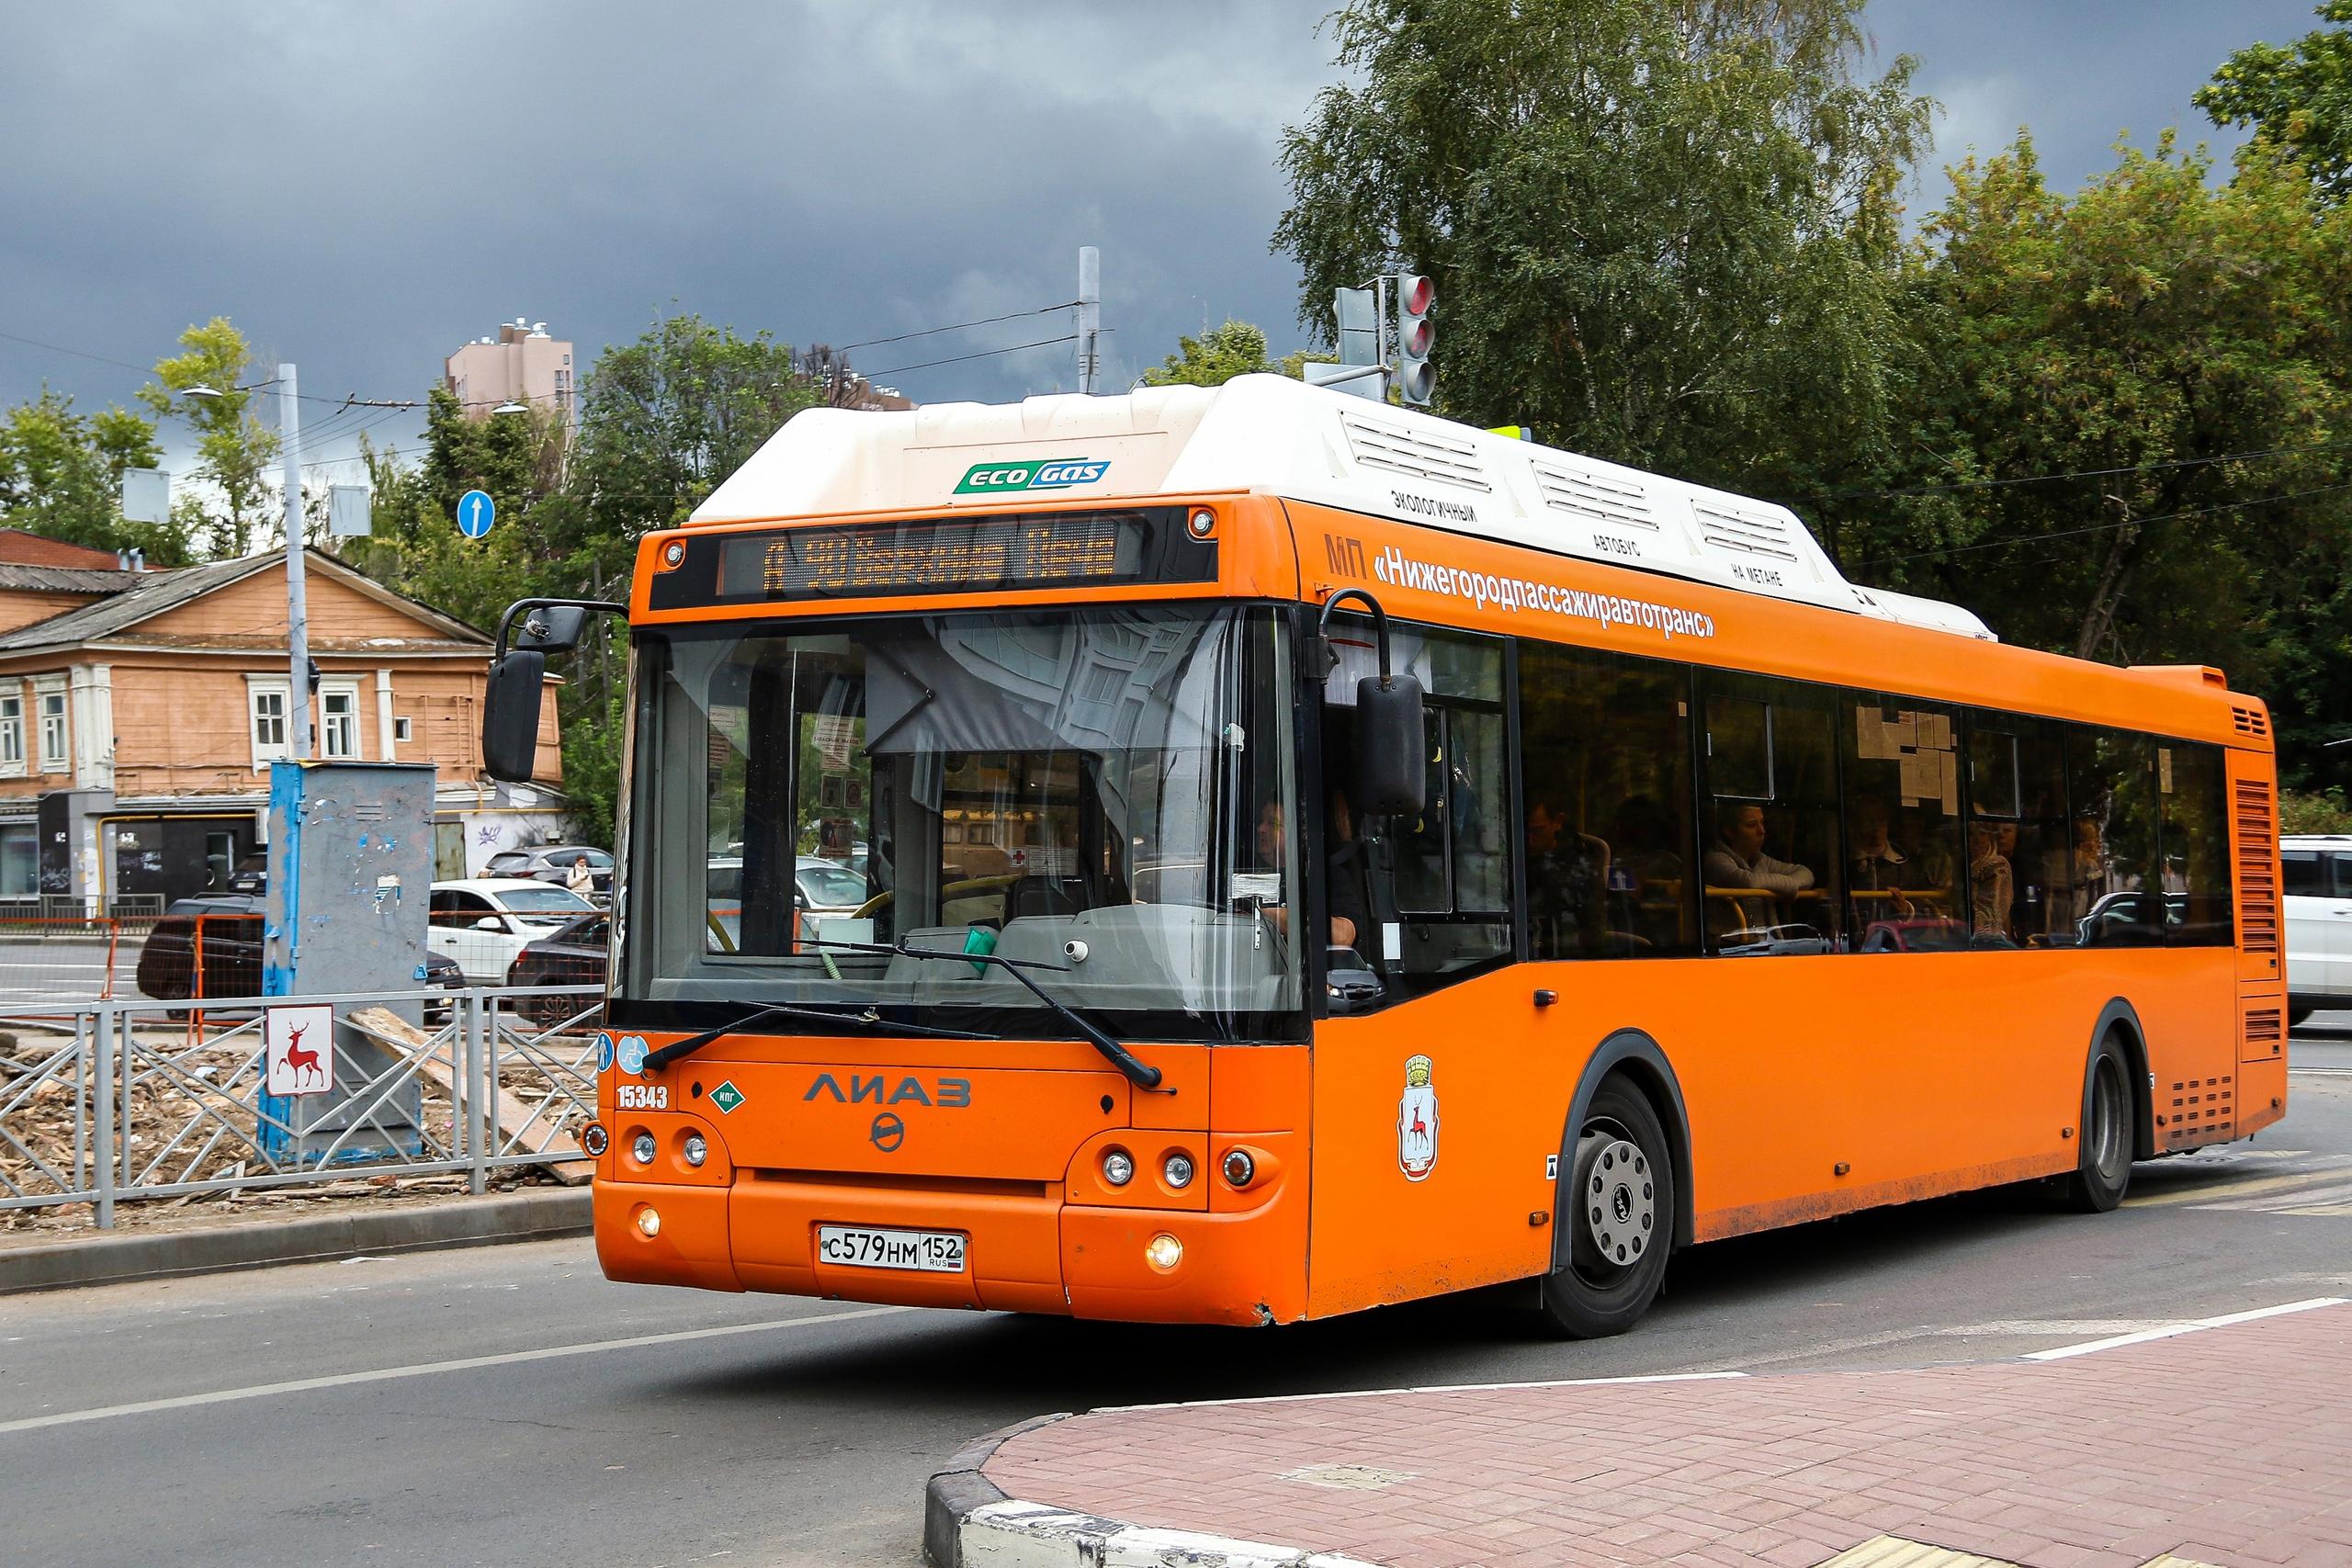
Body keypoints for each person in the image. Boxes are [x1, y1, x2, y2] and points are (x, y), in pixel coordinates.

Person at [1702, 801, 1814, 896]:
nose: (1762, 831)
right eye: (1752, 825)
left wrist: (1787, 885)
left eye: (1762, 823)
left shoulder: (1760, 860)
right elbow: (1749, 882)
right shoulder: (1715, 860)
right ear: (1729, 831)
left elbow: (1806, 874)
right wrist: (1789, 886)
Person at [1969, 821, 2013, 940]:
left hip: (1985, 940)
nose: (1977, 839)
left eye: (1982, 833)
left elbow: (1992, 915)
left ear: (1990, 837)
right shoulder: (1959, 864)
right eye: (1971, 834)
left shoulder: (1998, 866)